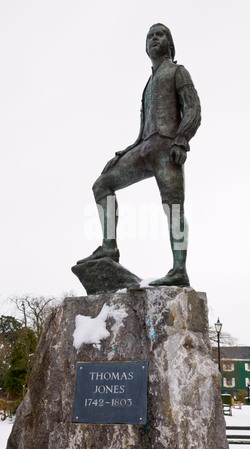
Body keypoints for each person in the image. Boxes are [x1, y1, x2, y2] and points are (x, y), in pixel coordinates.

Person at [77, 23, 201, 286]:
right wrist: (125, 152)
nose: (154, 39)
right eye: (150, 36)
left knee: (173, 208)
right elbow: (144, 129)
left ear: (170, 43)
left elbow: (193, 109)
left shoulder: (178, 71)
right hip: (144, 147)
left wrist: (181, 140)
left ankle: (179, 270)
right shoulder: (148, 83)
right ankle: (108, 247)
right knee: (102, 184)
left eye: (160, 34)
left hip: (167, 147)